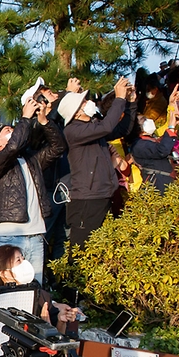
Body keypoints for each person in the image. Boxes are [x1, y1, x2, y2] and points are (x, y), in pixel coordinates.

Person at [0, 97, 67, 283]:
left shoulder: (32, 160)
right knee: (8, 286)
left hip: (36, 234)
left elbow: (58, 147)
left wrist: (45, 121)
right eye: (7, 130)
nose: (12, 131)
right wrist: (25, 118)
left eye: (12, 129)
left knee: (35, 286)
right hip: (11, 234)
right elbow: (13, 146)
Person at [57, 77, 138, 248]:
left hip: (103, 194)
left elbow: (122, 129)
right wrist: (119, 98)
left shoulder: (93, 126)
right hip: (87, 199)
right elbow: (107, 127)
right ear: (76, 112)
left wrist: (130, 102)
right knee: (81, 249)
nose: (88, 102)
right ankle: (74, 275)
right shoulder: (73, 130)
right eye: (83, 101)